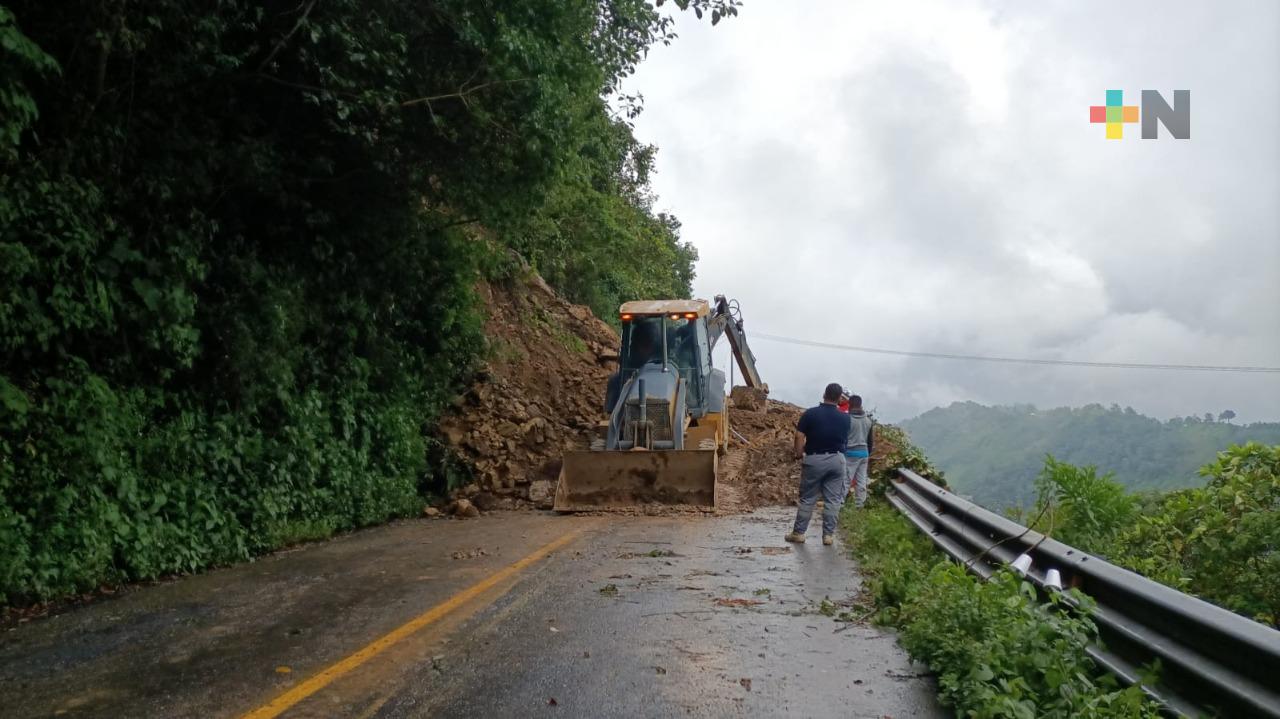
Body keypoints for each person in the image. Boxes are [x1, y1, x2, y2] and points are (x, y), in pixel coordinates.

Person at [786, 383, 852, 546]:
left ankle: (799, 533)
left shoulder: (811, 414)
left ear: (824, 394)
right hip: (837, 460)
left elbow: (799, 435)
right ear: (839, 399)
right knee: (833, 500)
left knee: (808, 498)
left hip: (815, 459)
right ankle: (828, 536)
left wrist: (799, 453)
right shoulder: (845, 418)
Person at [844, 394, 874, 509]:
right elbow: (870, 441)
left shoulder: (847, 419)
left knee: (846, 480)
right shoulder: (868, 421)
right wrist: (868, 453)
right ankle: (859, 506)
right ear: (861, 405)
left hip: (850, 453)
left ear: (850, 405)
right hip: (864, 453)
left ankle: (839, 504)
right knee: (861, 481)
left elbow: (843, 438)